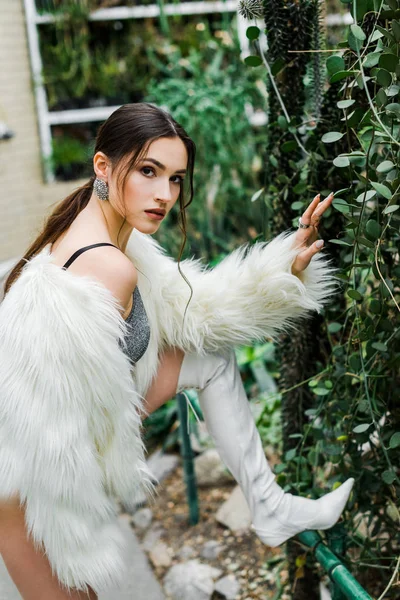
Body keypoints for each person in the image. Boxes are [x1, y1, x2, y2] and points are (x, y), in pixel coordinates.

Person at [0, 102, 354, 599]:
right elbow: (66, 427)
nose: (164, 194)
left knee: (210, 360)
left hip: (54, 455)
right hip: (35, 495)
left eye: (175, 179)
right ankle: (270, 507)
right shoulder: (107, 265)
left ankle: (270, 506)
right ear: (103, 166)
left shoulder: (114, 236)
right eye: (148, 172)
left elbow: (196, 310)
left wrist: (284, 265)